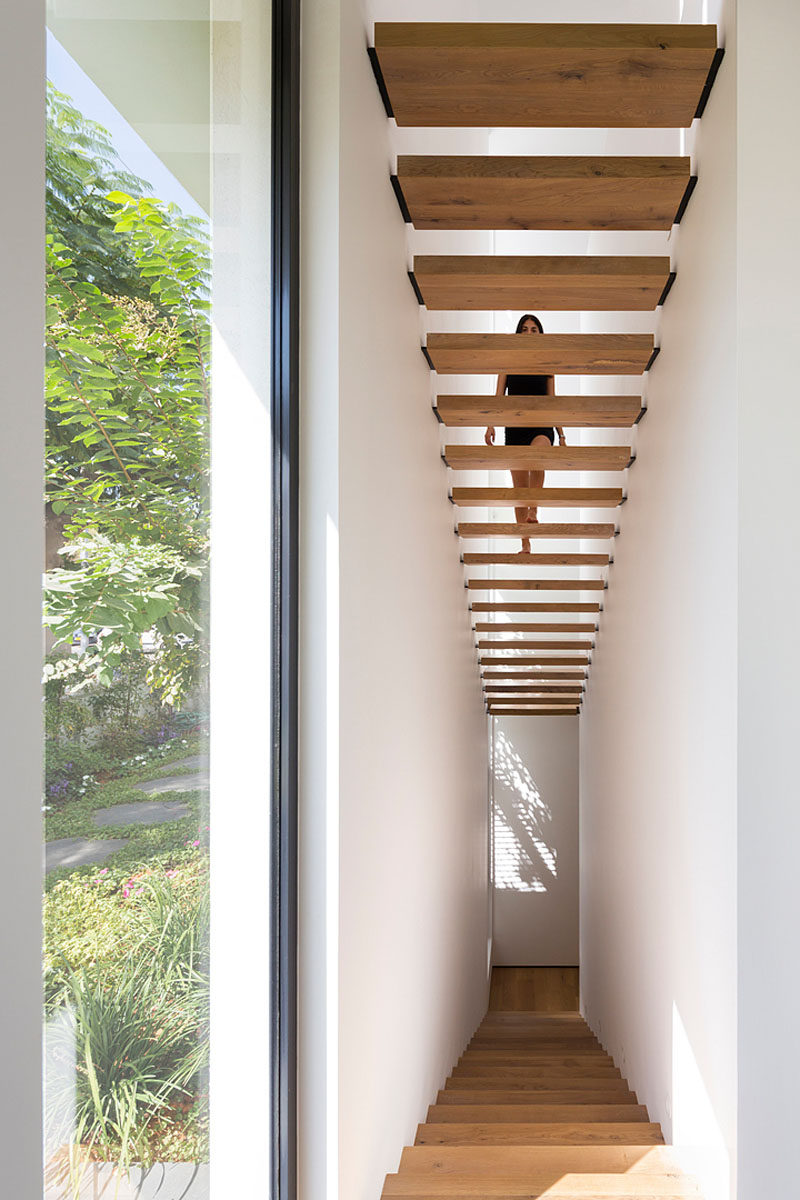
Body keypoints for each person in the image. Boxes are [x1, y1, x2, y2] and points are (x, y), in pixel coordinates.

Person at [485, 313, 566, 553]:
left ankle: (534, 509)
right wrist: (490, 425)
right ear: (518, 334)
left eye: (534, 329)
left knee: (539, 452)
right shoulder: (508, 361)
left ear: (540, 335)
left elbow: (553, 401)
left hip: (541, 424)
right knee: (519, 488)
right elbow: (499, 397)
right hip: (514, 428)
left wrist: (561, 434)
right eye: (524, 329)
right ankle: (525, 541)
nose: (529, 333)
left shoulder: (547, 364)